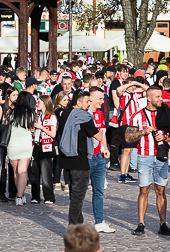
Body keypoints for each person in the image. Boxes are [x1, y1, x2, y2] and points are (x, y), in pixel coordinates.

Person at [126, 85, 170, 237]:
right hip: (145, 156)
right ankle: (141, 223)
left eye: (161, 96)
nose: (161, 99)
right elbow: (128, 138)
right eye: (158, 96)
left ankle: (163, 223)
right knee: (144, 189)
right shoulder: (137, 115)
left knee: (161, 190)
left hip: (161, 156)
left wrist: (165, 137)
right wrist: (143, 132)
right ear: (148, 98)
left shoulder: (166, 114)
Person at [59, 92, 107, 226]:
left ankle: (78, 226)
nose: (89, 104)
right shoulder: (83, 116)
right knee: (78, 198)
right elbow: (98, 136)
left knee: (74, 196)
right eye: (87, 102)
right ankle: (73, 228)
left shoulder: (65, 114)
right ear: (78, 103)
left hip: (66, 161)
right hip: (79, 162)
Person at [86, 87, 114, 232]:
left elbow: (102, 132)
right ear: (90, 98)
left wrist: (105, 148)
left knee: (99, 190)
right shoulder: (84, 114)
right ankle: (75, 222)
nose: (103, 102)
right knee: (79, 190)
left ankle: (99, 222)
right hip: (87, 157)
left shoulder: (100, 114)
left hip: (99, 156)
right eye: (100, 99)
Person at [7, 92, 35, 205]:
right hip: (26, 143)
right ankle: (20, 196)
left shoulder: (11, 112)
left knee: (15, 171)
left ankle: (19, 195)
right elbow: (32, 127)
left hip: (13, 143)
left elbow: (6, 124)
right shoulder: (32, 114)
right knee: (22, 171)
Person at [30, 95, 57, 206]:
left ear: (45, 103)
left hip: (46, 146)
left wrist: (42, 128)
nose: (38, 104)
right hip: (36, 144)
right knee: (34, 173)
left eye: (40, 102)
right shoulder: (38, 115)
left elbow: (53, 134)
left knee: (46, 173)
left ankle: (49, 197)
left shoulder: (52, 117)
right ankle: (35, 196)